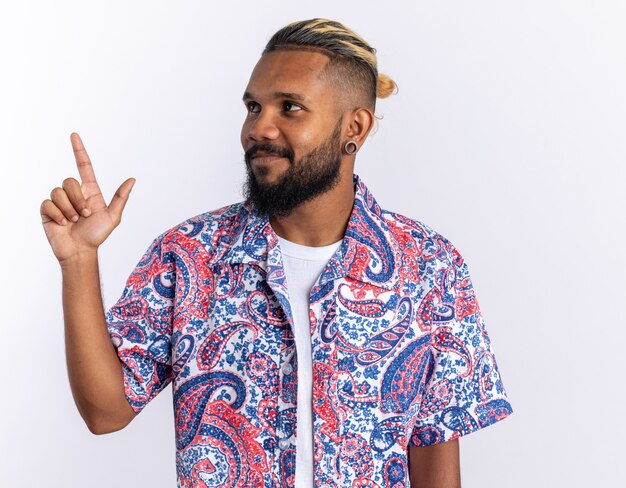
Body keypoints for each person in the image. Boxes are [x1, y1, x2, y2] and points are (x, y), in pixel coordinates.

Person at [40, 18, 513, 488]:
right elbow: (105, 412)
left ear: (355, 126)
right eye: (253, 107)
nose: (258, 128)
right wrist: (78, 260)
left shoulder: (428, 266)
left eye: (289, 107)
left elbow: (436, 454)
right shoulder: (188, 256)